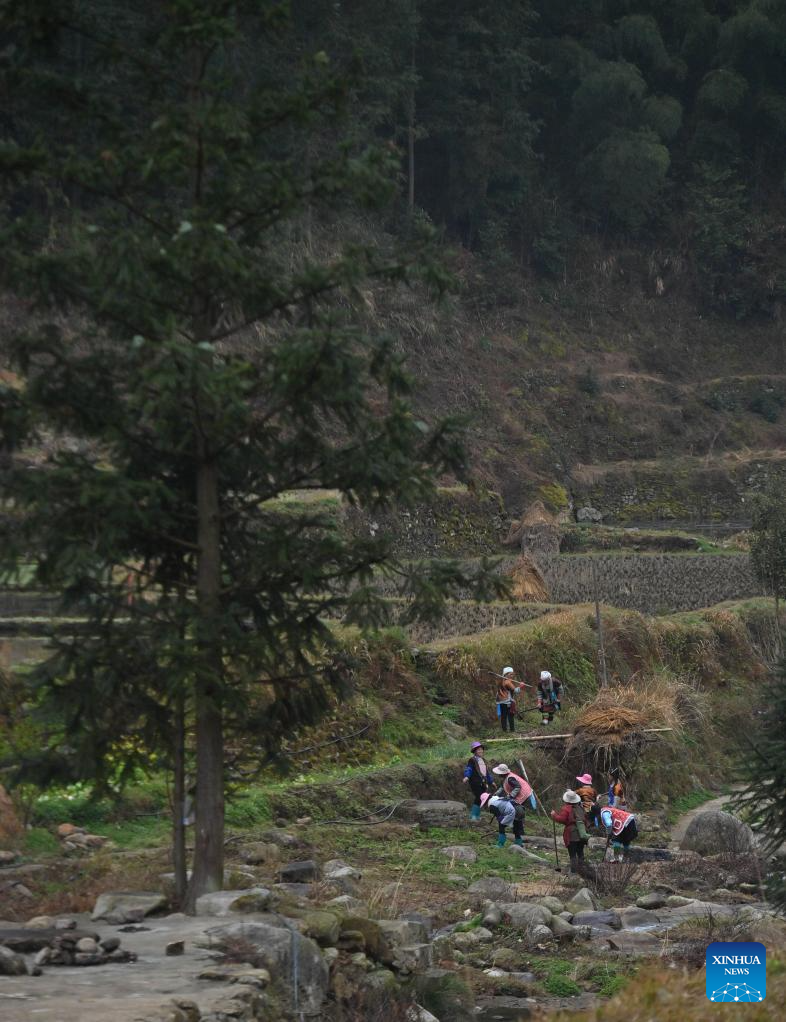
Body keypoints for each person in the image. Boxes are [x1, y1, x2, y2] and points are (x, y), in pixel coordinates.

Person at [550, 790, 589, 873]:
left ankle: (574, 873)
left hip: (572, 834)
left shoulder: (566, 809)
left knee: (573, 854)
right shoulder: (581, 808)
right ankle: (582, 871)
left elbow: (562, 819)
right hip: (582, 833)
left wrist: (554, 815)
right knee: (580, 853)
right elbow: (586, 820)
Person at [462, 741, 494, 820]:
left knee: (481, 798)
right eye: (478, 750)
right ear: (474, 751)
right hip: (475, 782)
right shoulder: (472, 760)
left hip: (483, 782)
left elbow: (486, 772)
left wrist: (491, 781)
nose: (480, 751)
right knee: (480, 797)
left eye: (481, 749)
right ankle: (473, 815)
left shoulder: (483, 760)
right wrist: (467, 776)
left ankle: (476, 815)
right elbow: (469, 768)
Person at [496, 666, 521, 733]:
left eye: (512, 674)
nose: (512, 676)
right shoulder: (507, 682)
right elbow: (516, 691)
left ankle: (504, 731)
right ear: (506, 674)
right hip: (507, 702)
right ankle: (512, 730)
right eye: (510, 674)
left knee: (503, 716)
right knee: (510, 715)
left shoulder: (501, 681)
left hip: (500, 702)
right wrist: (521, 686)